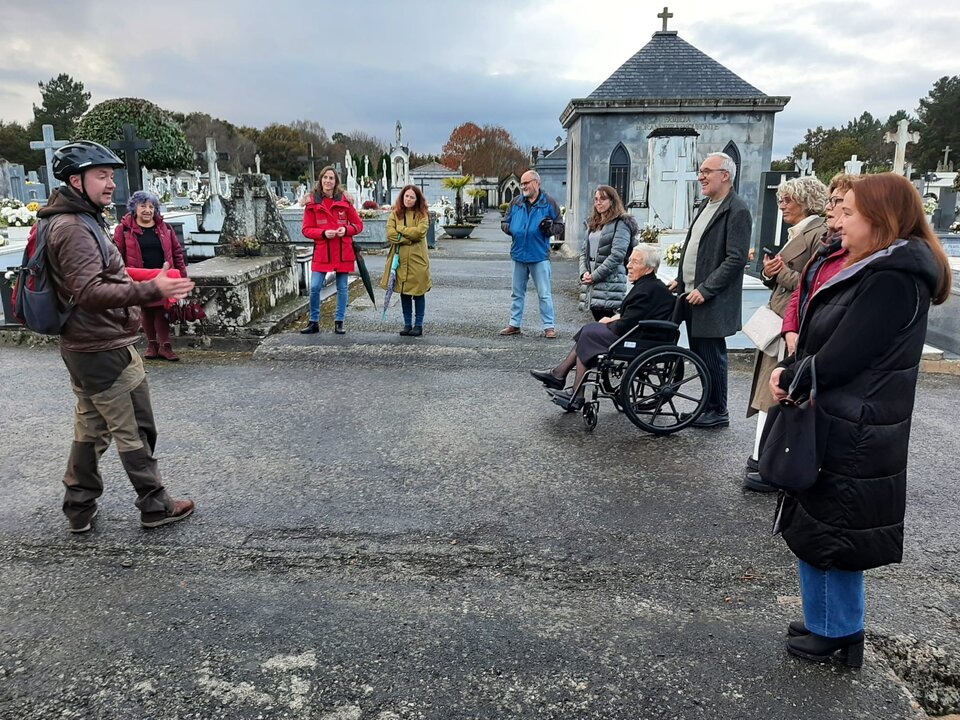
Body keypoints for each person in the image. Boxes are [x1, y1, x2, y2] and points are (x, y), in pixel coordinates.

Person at [768, 173, 952, 667]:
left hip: (856, 427)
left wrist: (795, 374)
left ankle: (838, 634)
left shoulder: (891, 278)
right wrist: (796, 369)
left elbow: (844, 356)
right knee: (822, 523)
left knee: (834, 531)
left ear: (882, 218)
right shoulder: (878, 269)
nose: (838, 219)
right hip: (846, 419)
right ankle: (827, 619)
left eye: (848, 211)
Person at [41, 141, 196, 533]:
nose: (111, 183)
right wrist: (152, 292)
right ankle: (155, 504)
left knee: (92, 426)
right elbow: (90, 292)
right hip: (101, 346)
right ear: (76, 180)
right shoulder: (73, 228)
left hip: (89, 344)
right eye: (101, 175)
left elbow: (111, 275)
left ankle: (78, 505)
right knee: (135, 428)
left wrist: (152, 279)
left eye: (112, 175)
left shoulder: (79, 217)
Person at [743, 177, 827, 491]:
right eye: (780, 200)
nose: (782, 206)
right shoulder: (799, 233)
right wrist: (769, 273)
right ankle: (761, 456)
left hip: (790, 324)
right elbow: (786, 280)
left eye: (788, 200)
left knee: (777, 389)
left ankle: (770, 461)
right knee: (770, 387)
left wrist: (782, 273)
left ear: (805, 200)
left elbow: (812, 284)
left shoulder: (817, 233)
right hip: (779, 316)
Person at [530, 243, 674, 411]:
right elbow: (634, 315)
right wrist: (614, 318)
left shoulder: (648, 289)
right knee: (589, 331)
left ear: (649, 269)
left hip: (641, 339)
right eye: (630, 260)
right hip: (640, 333)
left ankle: (569, 385)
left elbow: (627, 324)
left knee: (590, 333)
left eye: (635, 262)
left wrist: (609, 321)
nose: (628, 265)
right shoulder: (648, 285)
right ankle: (563, 379)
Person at [669, 152, 751, 428]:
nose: (700, 176)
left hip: (711, 300)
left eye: (707, 171)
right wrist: (682, 281)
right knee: (701, 356)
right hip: (692, 294)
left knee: (713, 357)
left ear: (725, 175)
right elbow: (695, 249)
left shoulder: (736, 209)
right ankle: (706, 407)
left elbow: (735, 258)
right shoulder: (707, 205)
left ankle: (718, 411)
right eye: (700, 171)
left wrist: (706, 289)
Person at [113, 190, 188, 361]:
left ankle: (165, 345)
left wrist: (182, 277)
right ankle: (152, 344)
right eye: (143, 206)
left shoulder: (165, 228)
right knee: (146, 311)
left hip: (163, 275)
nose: (148, 210)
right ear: (134, 208)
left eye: (151, 206)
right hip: (138, 277)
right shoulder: (124, 229)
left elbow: (177, 253)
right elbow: (116, 255)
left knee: (163, 310)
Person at [500, 170, 563, 338]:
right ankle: (514, 324)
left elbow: (559, 226)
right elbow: (505, 221)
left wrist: (549, 229)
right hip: (518, 254)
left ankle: (549, 326)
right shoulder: (516, 202)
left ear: (537, 183)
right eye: (522, 183)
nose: (523, 186)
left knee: (544, 293)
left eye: (526, 183)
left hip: (539, 255)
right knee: (517, 292)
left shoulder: (548, 203)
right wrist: (511, 229)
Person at [300, 166, 364, 335]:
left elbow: (358, 225)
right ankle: (314, 321)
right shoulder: (312, 203)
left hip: (343, 250)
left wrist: (347, 230)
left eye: (331, 178)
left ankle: (339, 321)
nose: (328, 181)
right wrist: (322, 233)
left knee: (342, 287)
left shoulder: (345, 201)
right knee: (314, 287)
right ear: (321, 180)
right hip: (323, 250)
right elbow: (306, 229)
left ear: (336, 182)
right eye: (325, 177)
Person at [578, 185, 633, 321]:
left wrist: (595, 276)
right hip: (593, 282)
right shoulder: (594, 224)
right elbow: (584, 253)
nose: (598, 202)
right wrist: (583, 273)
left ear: (612, 201)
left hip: (610, 282)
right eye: (596, 199)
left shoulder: (621, 223)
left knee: (609, 322)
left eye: (603, 199)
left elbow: (617, 255)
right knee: (600, 320)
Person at [383, 185, 432, 336]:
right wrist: (407, 238)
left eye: (412, 197)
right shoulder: (395, 214)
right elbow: (390, 234)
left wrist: (401, 230)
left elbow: (419, 233)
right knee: (404, 292)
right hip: (400, 260)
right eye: (406, 196)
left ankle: (418, 325)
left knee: (418, 293)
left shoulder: (422, 215)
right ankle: (407, 324)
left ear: (417, 199)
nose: (408, 199)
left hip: (418, 260)